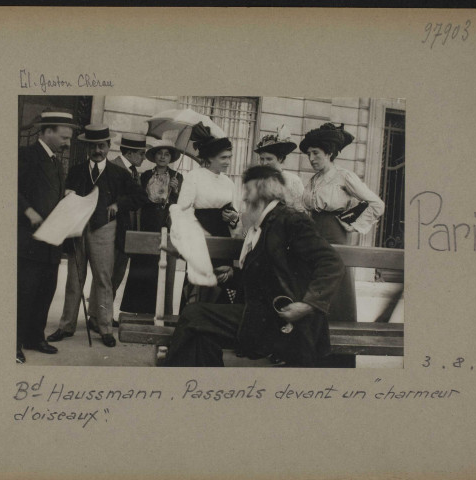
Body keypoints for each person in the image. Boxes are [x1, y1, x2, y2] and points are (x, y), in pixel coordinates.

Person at [163, 165, 345, 367]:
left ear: (263, 192)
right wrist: (232, 275)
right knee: (201, 333)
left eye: (248, 191)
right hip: (262, 316)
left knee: (193, 315)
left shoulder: (291, 220)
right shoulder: (265, 223)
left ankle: (172, 382)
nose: (244, 199)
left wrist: (307, 305)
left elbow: (332, 262)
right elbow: (265, 277)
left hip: (285, 322)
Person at [47, 124, 146, 348]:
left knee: (103, 280)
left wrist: (118, 204)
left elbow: (139, 196)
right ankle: (66, 326)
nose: (97, 150)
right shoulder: (76, 170)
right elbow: (65, 197)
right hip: (78, 230)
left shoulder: (119, 173)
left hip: (105, 230)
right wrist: (68, 196)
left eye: (101, 146)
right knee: (74, 280)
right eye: (93, 146)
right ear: (87, 148)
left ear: (108, 146)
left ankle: (105, 329)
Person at [300, 122, 385, 368]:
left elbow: (376, 204)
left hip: (336, 238)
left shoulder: (344, 176)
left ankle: (338, 360)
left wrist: (352, 225)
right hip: (313, 238)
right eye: (308, 154)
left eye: (316, 153)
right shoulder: (313, 180)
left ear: (329, 152)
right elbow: (306, 208)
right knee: (313, 292)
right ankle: (313, 357)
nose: (311, 158)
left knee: (336, 296)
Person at [16, 111, 78, 363]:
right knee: (25, 293)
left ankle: (34, 337)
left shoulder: (55, 160)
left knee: (45, 291)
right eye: (64, 137)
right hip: (30, 240)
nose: (68, 143)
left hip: (52, 241)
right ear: (47, 131)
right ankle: (14, 343)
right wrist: (28, 210)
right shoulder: (26, 155)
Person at [87, 133, 147, 328]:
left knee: (116, 274)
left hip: (126, 232)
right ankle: (96, 317)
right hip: (111, 230)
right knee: (105, 274)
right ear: (130, 153)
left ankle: (103, 315)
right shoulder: (112, 168)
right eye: (141, 153)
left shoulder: (133, 171)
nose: (144, 158)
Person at [176, 122, 240, 305]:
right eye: (223, 158)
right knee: (200, 284)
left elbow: (234, 212)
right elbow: (183, 209)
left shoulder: (228, 182)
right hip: (201, 236)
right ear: (210, 158)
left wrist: (234, 219)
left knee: (223, 281)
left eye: (230, 157)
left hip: (223, 237)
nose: (228, 162)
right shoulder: (194, 177)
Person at [120, 140, 183, 314]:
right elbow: (139, 198)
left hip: (165, 221)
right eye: (159, 153)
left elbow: (180, 204)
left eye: (167, 154)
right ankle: (139, 309)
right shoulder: (145, 175)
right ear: (154, 156)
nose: (163, 157)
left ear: (171, 158)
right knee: (143, 264)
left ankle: (161, 310)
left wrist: (175, 192)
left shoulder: (177, 177)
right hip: (147, 221)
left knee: (162, 265)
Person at [254, 125, 305, 212]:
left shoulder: (293, 181)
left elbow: (300, 209)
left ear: (280, 158)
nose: (264, 163)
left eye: (269, 159)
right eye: (262, 159)